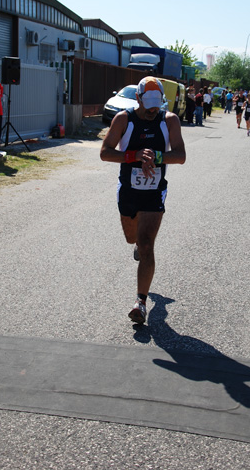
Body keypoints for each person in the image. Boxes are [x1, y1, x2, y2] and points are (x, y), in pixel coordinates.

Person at [100, 77, 186, 324]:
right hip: (128, 189)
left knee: (147, 243)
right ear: (138, 99)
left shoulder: (169, 120)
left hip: (154, 190)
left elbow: (180, 156)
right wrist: (134, 155)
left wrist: (156, 157)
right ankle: (137, 245)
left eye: (156, 105)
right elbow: (105, 152)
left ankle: (140, 302)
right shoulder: (123, 119)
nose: (152, 110)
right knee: (132, 238)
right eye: (148, 105)